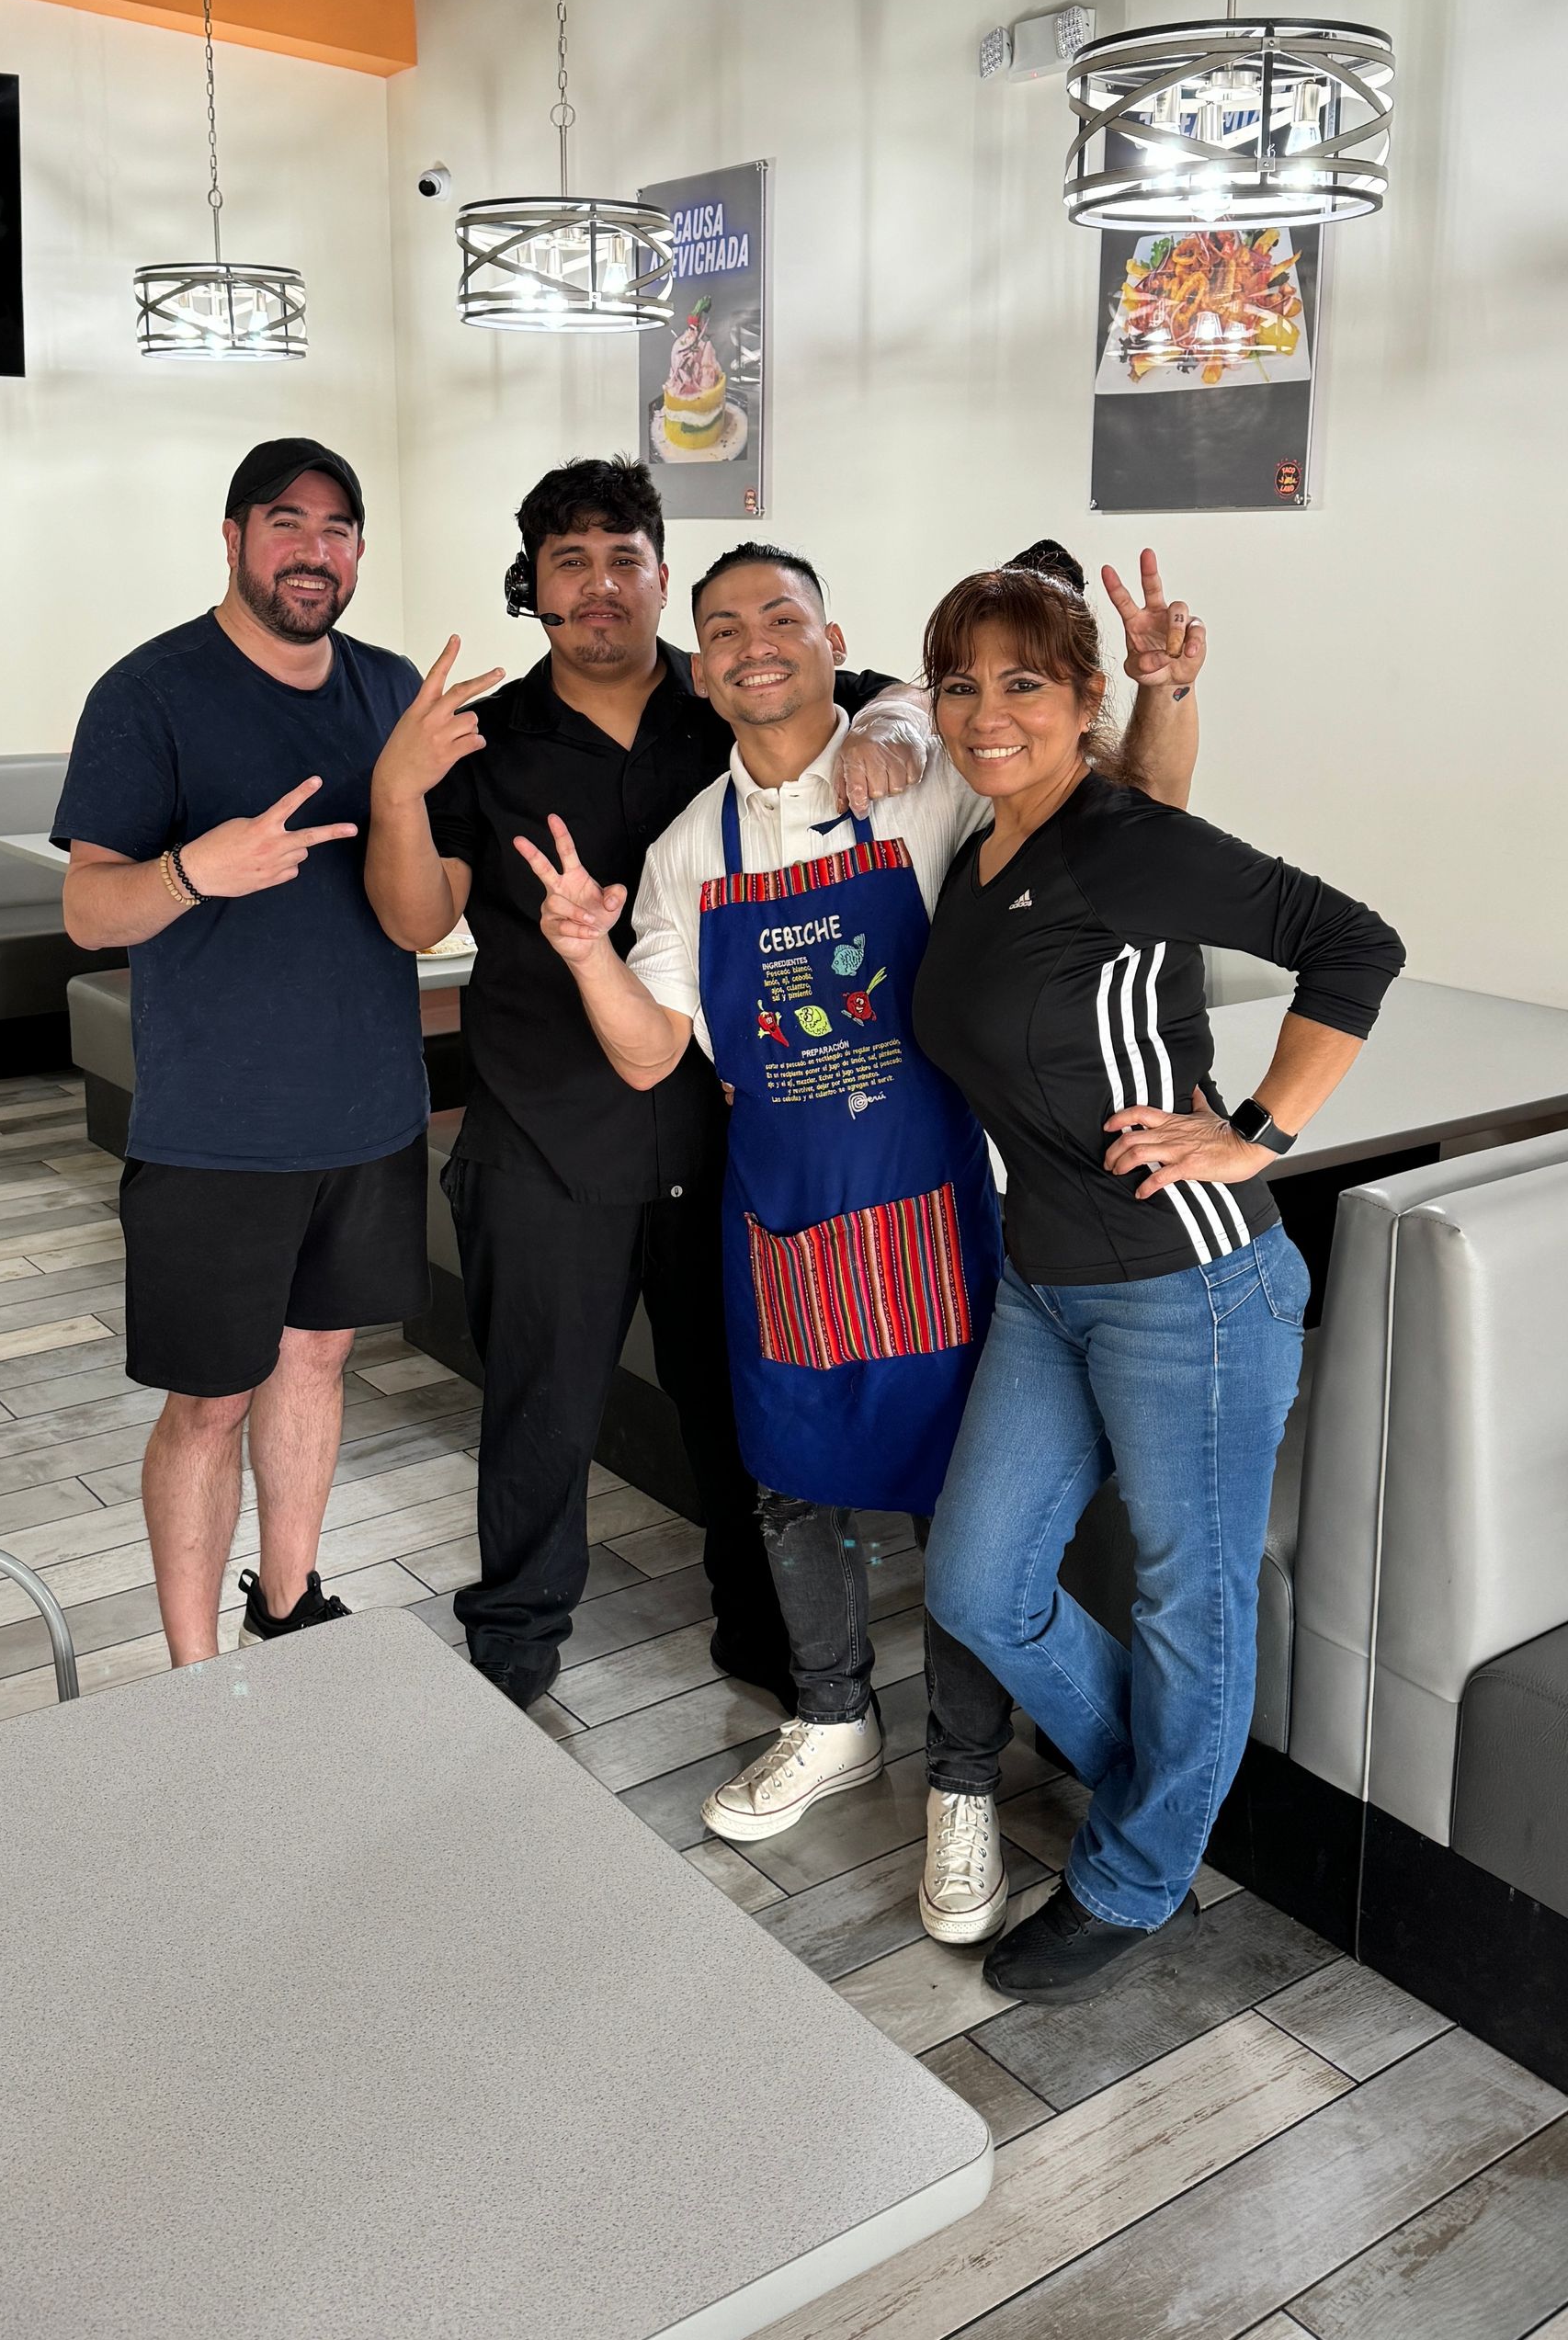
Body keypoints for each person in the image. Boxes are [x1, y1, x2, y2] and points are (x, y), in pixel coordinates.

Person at [517, 539, 1203, 1948]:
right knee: (791, 1490)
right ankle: (833, 1716)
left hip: (938, 1209)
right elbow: (653, 1057)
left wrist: (1153, 693)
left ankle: (962, 1777)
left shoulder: (934, 773)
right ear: (700, 666)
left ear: (836, 638)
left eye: (782, 615)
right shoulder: (686, 847)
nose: (753, 641)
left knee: (955, 1503)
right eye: (723, 626)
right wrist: (588, 952)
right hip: (780, 1217)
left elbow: (1140, 817)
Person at [363, 457, 941, 1710]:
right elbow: (416, 921)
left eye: (626, 556)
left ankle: (766, 1631)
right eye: (571, 561)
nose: (602, 584)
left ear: (662, 579)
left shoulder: (728, 697)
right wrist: (397, 791)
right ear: (535, 589)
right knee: (540, 1413)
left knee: (738, 1405)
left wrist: (897, 719)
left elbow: (896, 693)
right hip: (541, 1130)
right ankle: (512, 1649)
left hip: (722, 1130)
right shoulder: (490, 741)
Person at [914, 551, 1403, 2002]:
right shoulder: (989, 841)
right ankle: (1170, 1786)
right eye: (960, 682)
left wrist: (1254, 1132)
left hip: (1183, 1288)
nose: (984, 711)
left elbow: (1353, 945)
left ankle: (1135, 1875)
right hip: (1046, 1278)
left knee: (1192, 1601)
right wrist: (1165, 698)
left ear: (1080, 701)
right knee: (976, 1581)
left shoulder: (1111, 836)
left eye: (1021, 681)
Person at [55, 439, 429, 1667]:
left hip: (370, 1109)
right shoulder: (148, 693)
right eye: (286, 522)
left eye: (337, 528)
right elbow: (87, 910)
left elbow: (416, 887)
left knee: (319, 1356)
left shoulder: (387, 692)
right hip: (216, 1128)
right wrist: (191, 872)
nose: (312, 549)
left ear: (360, 552)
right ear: (232, 537)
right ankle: (191, 1670)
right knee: (209, 1400)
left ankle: (288, 1600)